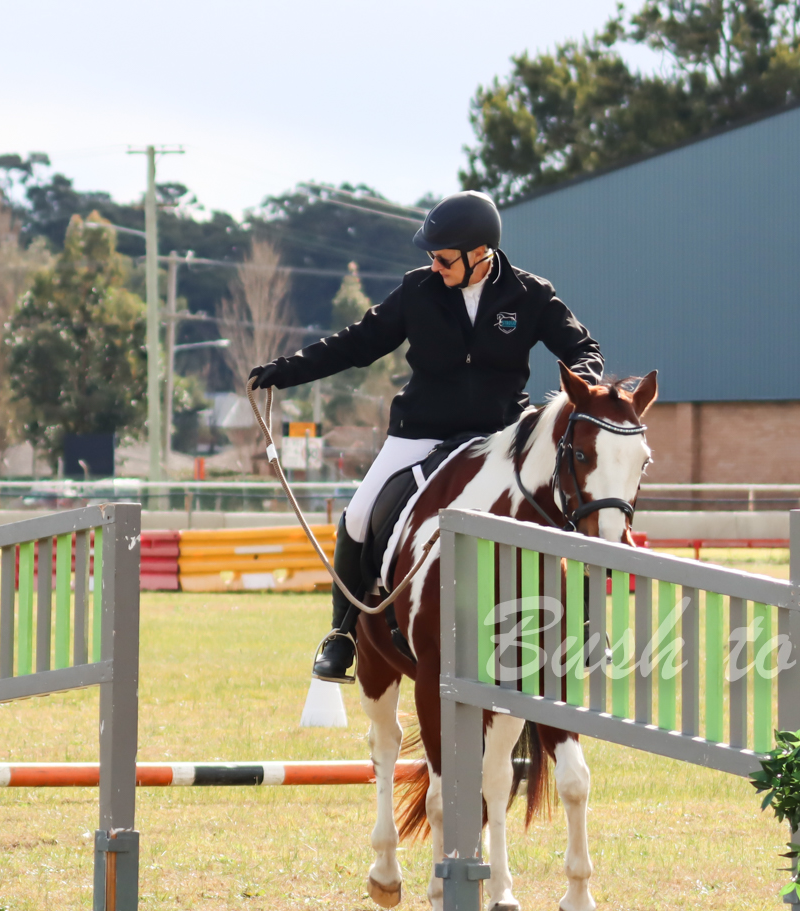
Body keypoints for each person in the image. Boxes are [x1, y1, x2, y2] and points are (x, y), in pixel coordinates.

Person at [247, 190, 604, 682]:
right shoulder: (417, 289)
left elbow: (583, 349)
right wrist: (286, 371)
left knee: (563, 504)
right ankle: (342, 635)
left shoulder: (531, 294)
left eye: (443, 258)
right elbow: (357, 343)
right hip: (420, 431)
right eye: (432, 257)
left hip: (500, 435)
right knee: (358, 515)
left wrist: (584, 388)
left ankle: (585, 625)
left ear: (480, 253)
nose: (435, 266)